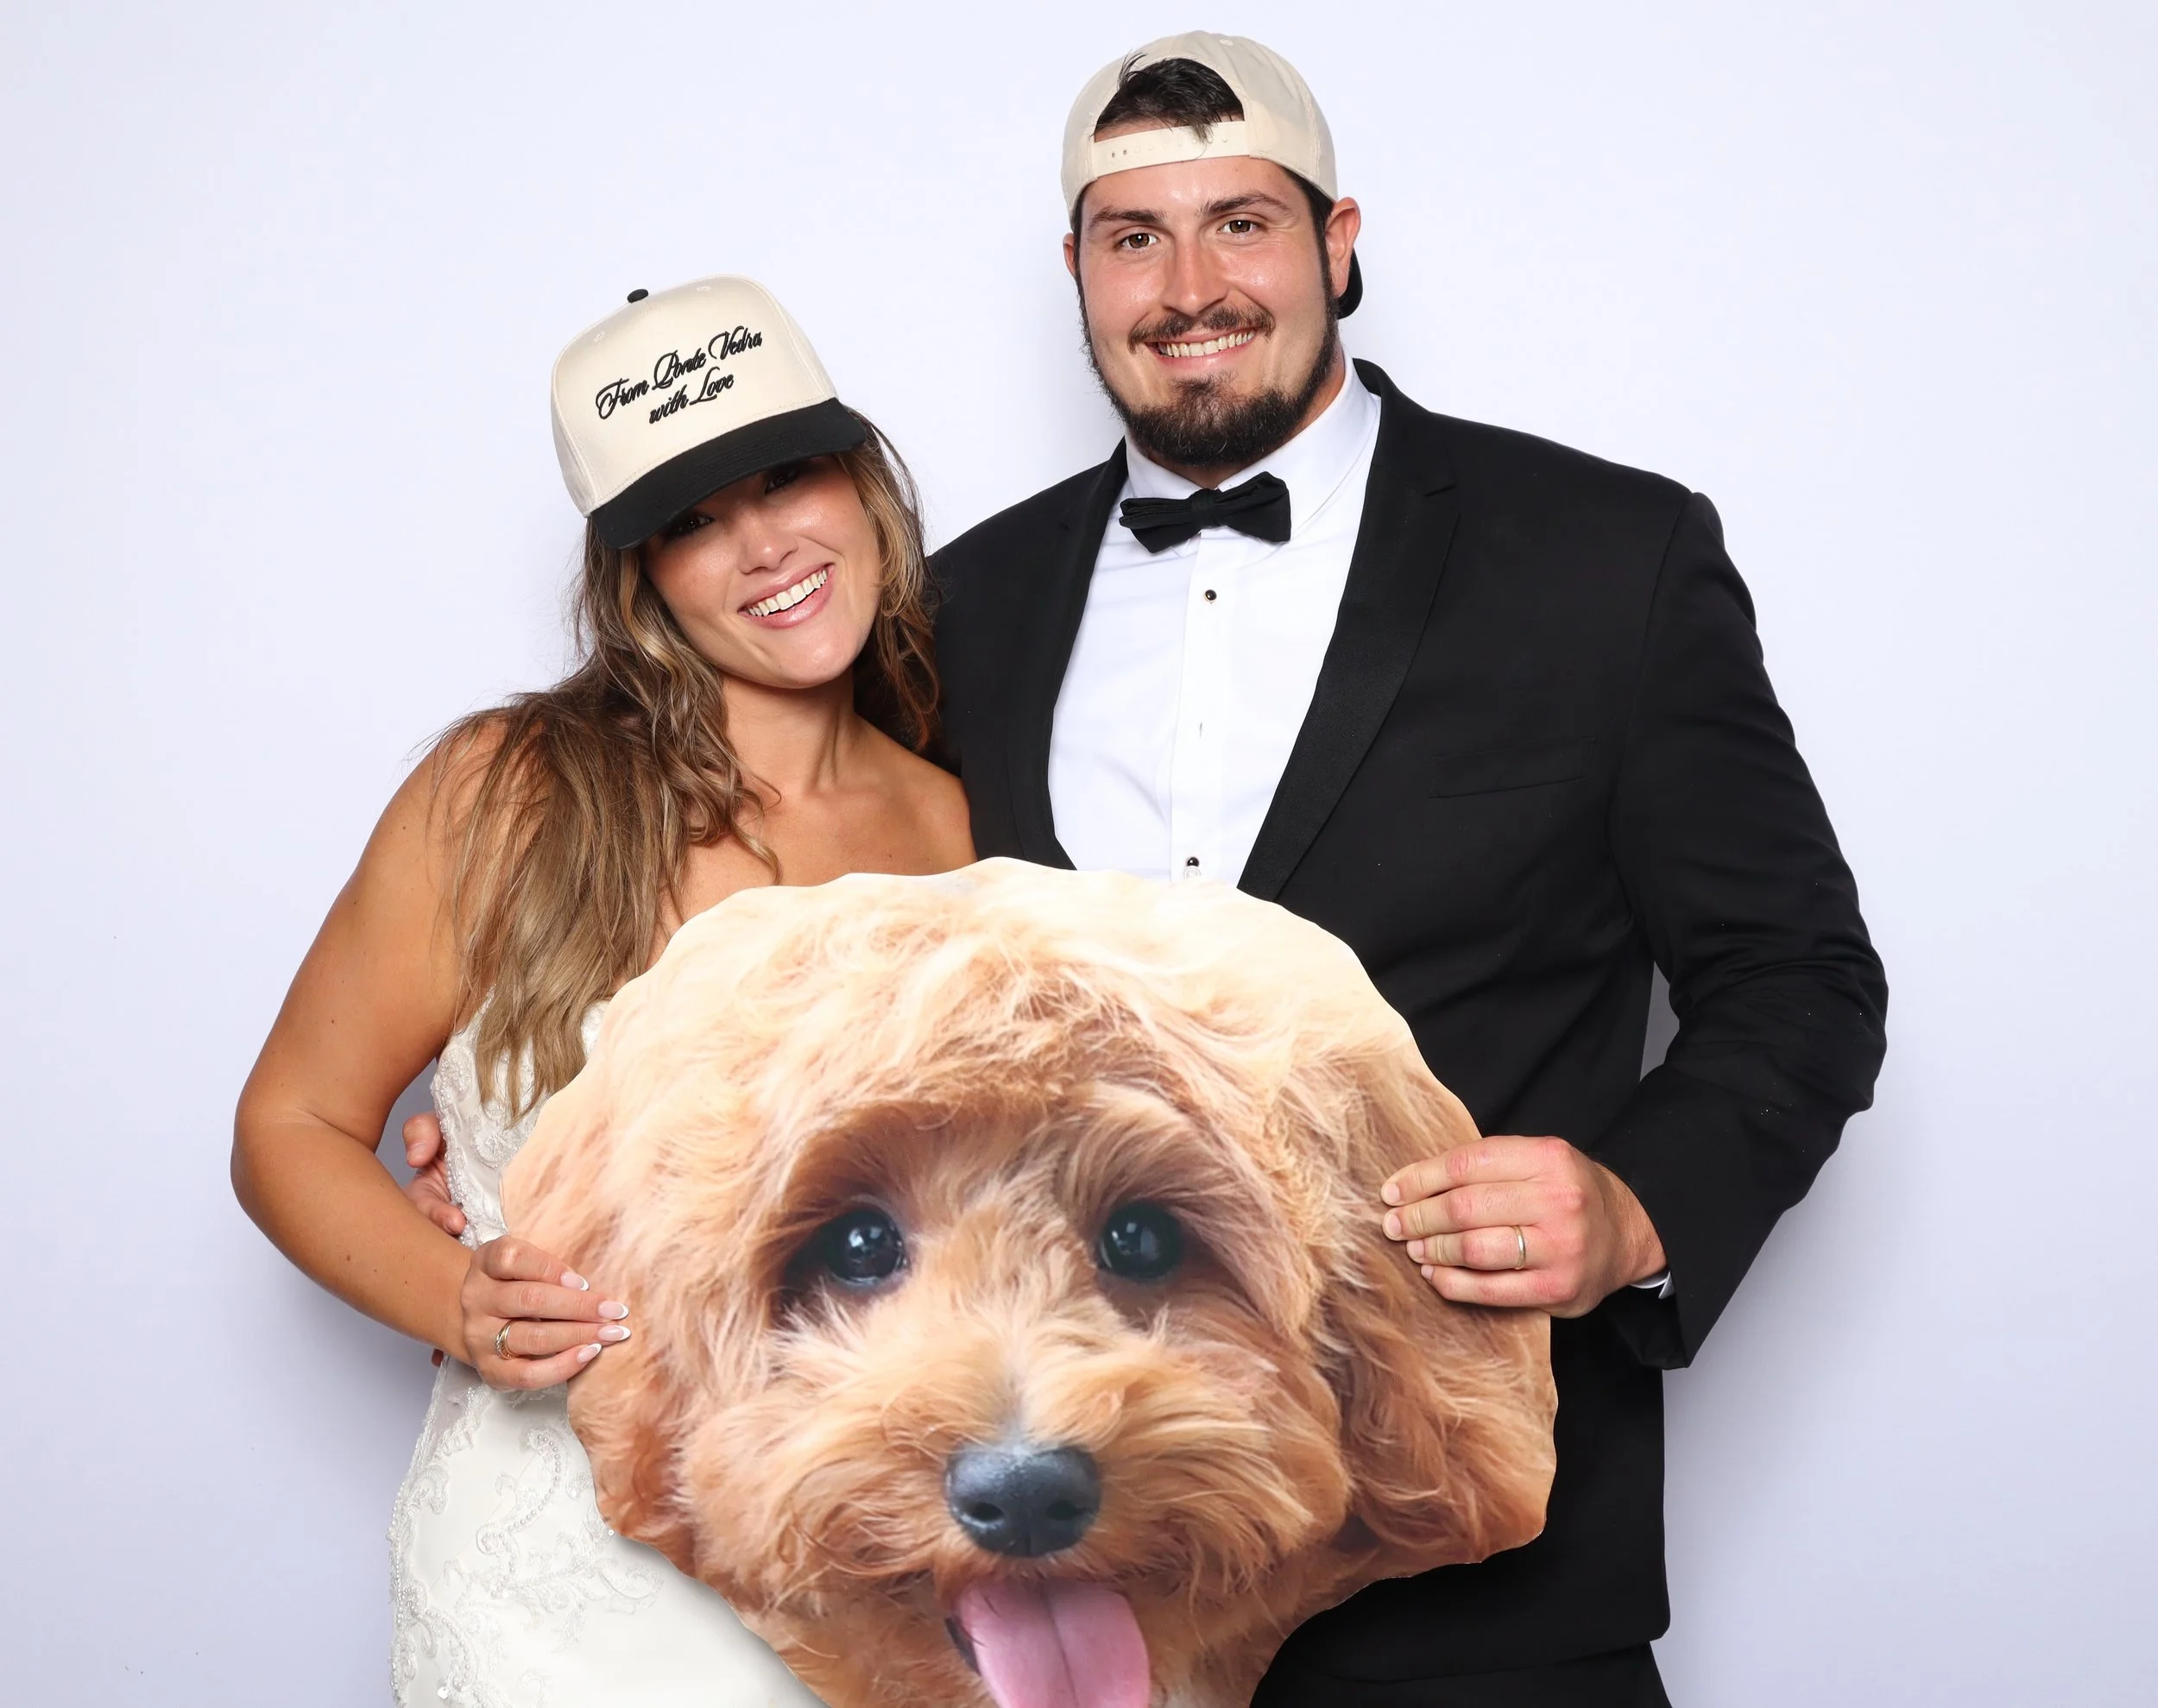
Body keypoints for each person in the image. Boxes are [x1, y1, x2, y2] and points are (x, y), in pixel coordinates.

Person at [928, 33, 1888, 1708]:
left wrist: (1633, 1201)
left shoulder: (1607, 557)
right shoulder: (957, 609)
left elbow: (1796, 979)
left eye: (1239, 222)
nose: (1186, 285)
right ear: (1072, 270)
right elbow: (832, 966)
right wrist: (511, 1101)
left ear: (1336, 239)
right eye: (1129, 236)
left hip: (1485, 1571)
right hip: (1074, 1591)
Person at [232, 275, 971, 1707]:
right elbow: (289, 1125)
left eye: (788, 476)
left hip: (855, 1568)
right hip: (554, 1584)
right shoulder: (512, 791)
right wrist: (454, 1294)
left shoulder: (950, 820)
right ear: (637, 573)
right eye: (692, 518)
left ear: (862, 479)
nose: (765, 546)